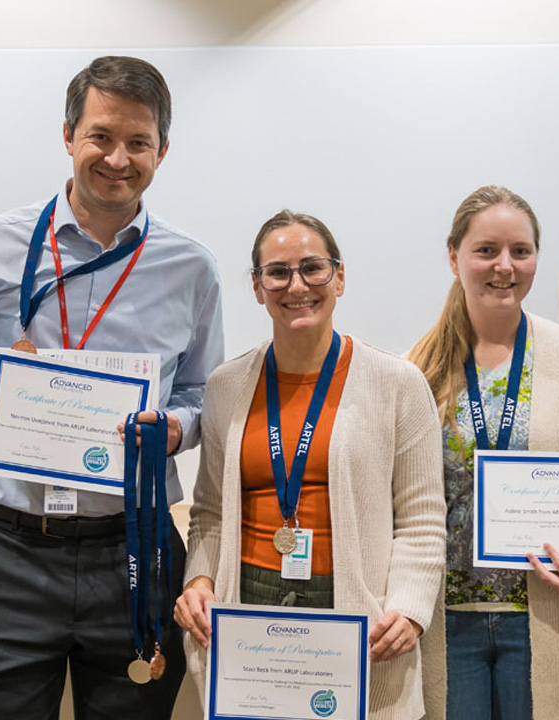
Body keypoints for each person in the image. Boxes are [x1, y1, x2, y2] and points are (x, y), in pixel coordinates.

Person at [0, 56, 223, 718]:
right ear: (69, 135)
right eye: (101, 136)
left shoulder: (191, 268)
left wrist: (176, 428)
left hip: (135, 550)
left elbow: (202, 401)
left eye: (138, 142)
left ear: (162, 149)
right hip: (5, 552)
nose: (117, 157)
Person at [173, 210, 446, 719]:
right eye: (277, 272)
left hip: (355, 613)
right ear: (257, 287)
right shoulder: (226, 386)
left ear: (339, 277)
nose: (296, 285)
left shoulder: (398, 384)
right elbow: (209, 511)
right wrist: (198, 582)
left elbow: (423, 517)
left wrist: (408, 607)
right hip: (246, 607)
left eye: (313, 268)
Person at [410, 185, 559, 720]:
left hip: (549, 618)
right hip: (446, 621)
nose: (504, 267)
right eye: (486, 250)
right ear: (454, 257)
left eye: (520, 251)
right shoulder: (414, 372)